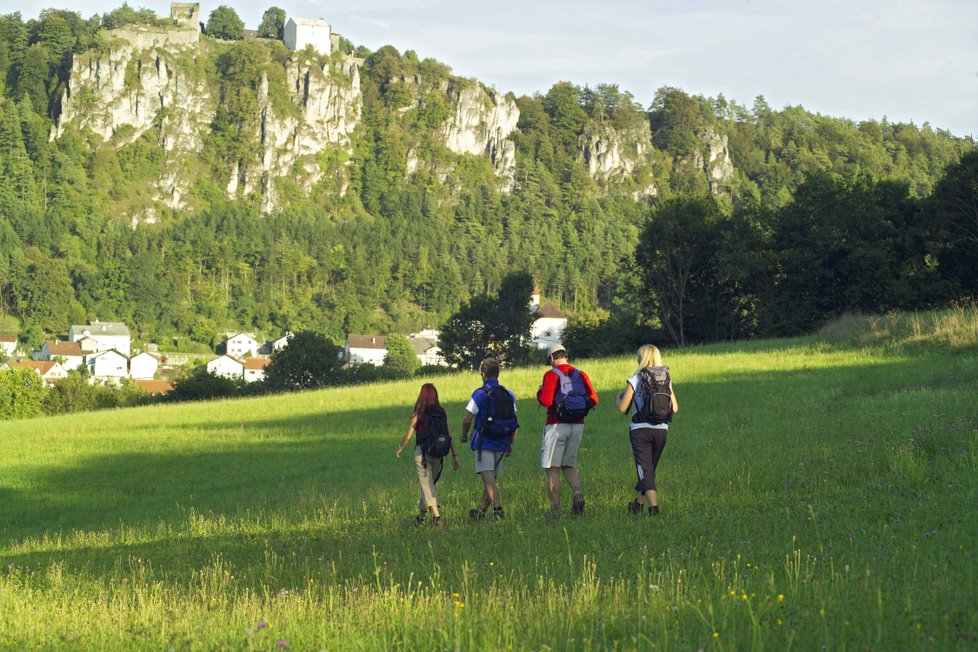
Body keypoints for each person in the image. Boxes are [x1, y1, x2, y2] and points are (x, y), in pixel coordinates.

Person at [615, 344, 679, 516]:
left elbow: (622, 407)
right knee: (648, 469)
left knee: (645, 470)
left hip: (640, 431)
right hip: (662, 430)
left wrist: (617, 398)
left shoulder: (636, 378)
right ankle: (638, 504)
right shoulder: (665, 378)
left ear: (640, 358)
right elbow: (675, 408)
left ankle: (653, 508)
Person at [536, 343, 598, 517]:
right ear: (566, 356)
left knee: (552, 468)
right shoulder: (580, 374)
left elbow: (547, 401)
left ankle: (555, 510)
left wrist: (539, 394)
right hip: (578, 425)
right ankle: (578, 495)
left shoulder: (550, 375)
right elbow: (594, 398)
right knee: (569, 465)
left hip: (556, 426)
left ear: (551, 358)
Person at [460, 358, 518, 521]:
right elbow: (514, 422)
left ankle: (498, 511)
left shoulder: (479, 393)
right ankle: (480, 512)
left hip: (483, 442)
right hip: (502, 442)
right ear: (498, 374)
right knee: (490, 480)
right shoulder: (508, 393)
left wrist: (464, 435)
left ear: (482, 375)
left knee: (489, 481)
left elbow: (467, 420)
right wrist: (510, 443)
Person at [396, 383, 459, 527]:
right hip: (439, 452)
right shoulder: (442, 412)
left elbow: (408, 435)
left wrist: (400, 447)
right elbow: (449, 435)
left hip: (422, 452)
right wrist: (455, 455)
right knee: (429, 485)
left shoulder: (419, 411)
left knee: (427, 485)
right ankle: (420, 518)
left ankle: (437, 518)